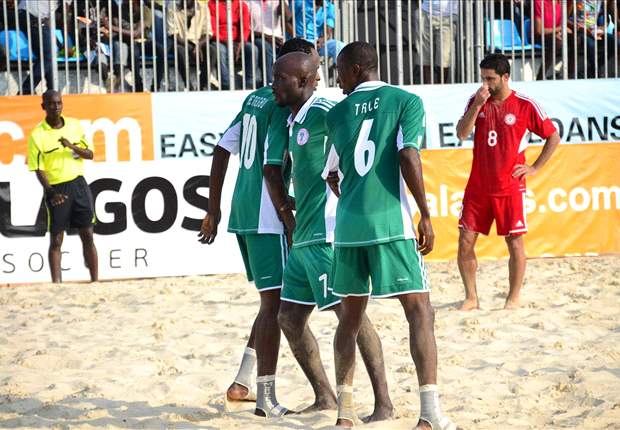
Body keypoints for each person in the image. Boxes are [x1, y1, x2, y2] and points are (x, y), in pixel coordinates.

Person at [323, 41, 456, 430]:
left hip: (348, 228)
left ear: (358, 69)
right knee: (419, 311)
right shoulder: (405, 100)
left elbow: (332, 174)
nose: (337, 78)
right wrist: (425, 214)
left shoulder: (338, 113)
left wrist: (351, 197)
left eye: (339, 71)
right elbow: (408, 155)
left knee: (349, 318)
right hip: (390, 224)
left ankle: (345, 414)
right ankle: (429, 414)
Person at [262, 51, 393, 422]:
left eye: (279, 78)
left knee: (349, 316)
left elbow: (361, 151)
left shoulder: (324, 111)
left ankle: (383, 403)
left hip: (326, 232)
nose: (273, 83)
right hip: (302, 234)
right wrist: (288, 208)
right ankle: (324, 396)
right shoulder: (294, 119)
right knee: (288, 319)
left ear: (302, 81)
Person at [197, 38, 317, 418]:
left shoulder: (255, 98)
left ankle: (244, 380)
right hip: (268, 214)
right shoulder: (285, 107)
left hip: (243, 210)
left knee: (272, 302)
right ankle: (264, 396)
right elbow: (271, 171)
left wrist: (213, 209)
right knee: (279, 306)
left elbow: (221, 148)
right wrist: (290, 220)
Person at [455, 53, 560, 311]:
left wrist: (534, 167)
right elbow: (461, 133)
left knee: (514, 242)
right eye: (482, 79)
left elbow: (553, 136)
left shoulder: (524, 104)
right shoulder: (476, 100)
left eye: (490, 79)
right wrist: (477, 106)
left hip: (509, 186)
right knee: (465, 240)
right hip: (478, 186)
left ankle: (513, 298)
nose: (485, 85)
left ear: (505, 77)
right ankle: (471, 297)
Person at [27, 90, 98, 284]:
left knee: (88, 235)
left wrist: (72, 147)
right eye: (51, 104)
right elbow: (38, 168)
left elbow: (90, 154)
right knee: (56, 240)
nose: (56, 107)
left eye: (59, 103)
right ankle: (57, 285)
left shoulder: (74, 126)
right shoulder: (37, 135)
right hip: (57, 190)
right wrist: (50, 192)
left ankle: (95, 282)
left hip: (78, 185)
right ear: (43, 107)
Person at [209, 0, 259, 89]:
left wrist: (241, 42)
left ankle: (249, 84)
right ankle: (226, 84)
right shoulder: (212, 4)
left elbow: (246, 27)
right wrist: (226, 41)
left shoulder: (241, 5)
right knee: (220, 50)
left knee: (252, 49)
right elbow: (212, 29)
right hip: (220, 40)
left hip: (237, 41)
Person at [166, 0, 214, 91]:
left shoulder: (203, 7)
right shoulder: (172, 6)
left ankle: (201, 86)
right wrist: (190, 47)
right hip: (180, 42)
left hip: (197, 42)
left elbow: (208, 32)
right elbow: (173, 33)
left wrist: (198, 45)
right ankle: (189, 86)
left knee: (212, 51)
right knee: (179, 50)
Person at [413, 0, 458, 84]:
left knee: (444, 57)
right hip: (425, 12)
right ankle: (428, 84)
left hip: (449, 16)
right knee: (424, 54)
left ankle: (441, 86)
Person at [288, 0, 344, 65]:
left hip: (315, 41)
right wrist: (296, 36)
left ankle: (339, 71)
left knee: (339, 46)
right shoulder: (300, 2)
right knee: (310, 60)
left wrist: (321, 40)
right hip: (297, 40)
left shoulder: (330, 7)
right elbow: (286, 22)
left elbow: (328, 33)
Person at [246, 0, 287, 85]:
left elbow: (288, 17)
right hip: (256, 37)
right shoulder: (248, 2)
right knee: (263, 45)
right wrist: (268, 37)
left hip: (277, 39)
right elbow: (246, 28)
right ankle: (268, 82)